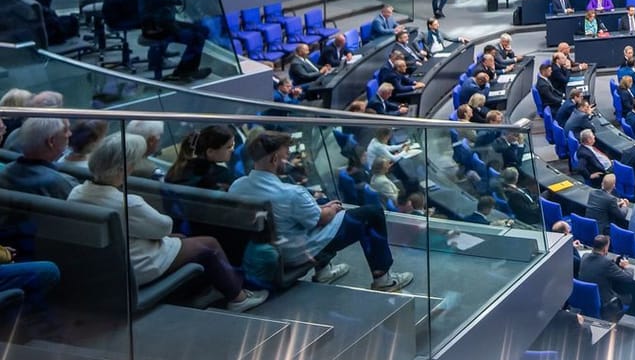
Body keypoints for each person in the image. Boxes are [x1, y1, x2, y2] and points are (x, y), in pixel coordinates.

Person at [70, 134, 268, 312]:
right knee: (209, 244)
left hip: (103, 264)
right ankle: (238, 297)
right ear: (124, 168)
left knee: (183, 238)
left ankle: (213, 285)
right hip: (137, 265)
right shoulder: (129, 203)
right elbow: (164, 226)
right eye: (133, 162)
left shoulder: (76, 192)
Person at [234, 131, 413, 291]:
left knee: (322, 201)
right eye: (285, 155)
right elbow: (322, 219)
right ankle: (383, 279)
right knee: (372, 214)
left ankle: (324, 271)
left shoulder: (237, 186)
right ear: (274, 159)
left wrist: (322, 206)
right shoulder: (291, 193)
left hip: (266, 247)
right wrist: (332, 209)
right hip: (296, 252)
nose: (288, 159)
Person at [164, 124, 239, 189]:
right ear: (210, 152)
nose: (232, 150)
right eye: (228, 147)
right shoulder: (222, 175)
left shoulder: (178, 169)